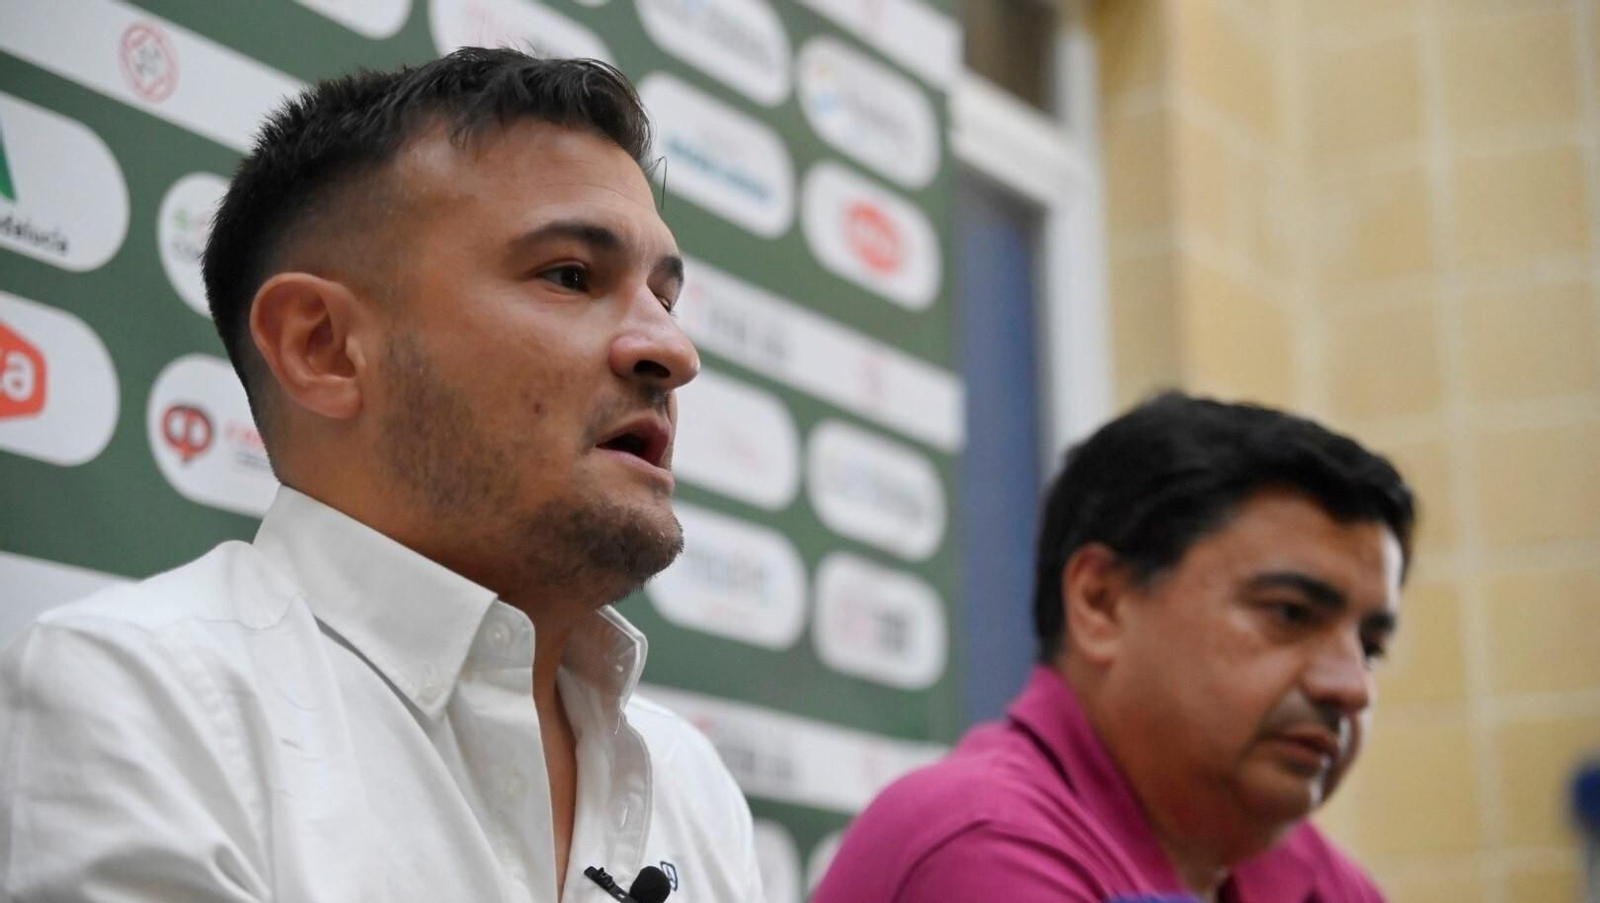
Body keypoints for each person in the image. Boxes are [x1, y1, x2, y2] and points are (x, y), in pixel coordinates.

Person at [0, 49, 763, 902]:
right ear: (320, 346)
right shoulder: (140, 701)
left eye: (664, 297)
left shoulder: (690, 781)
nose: (671, 350)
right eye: (571, 276)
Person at [813, 392, 1414, 903]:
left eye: (1370, 646)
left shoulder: (1312, 877)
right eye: (1289, 613)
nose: (1352, 687)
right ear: (1101, 602)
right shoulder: (982, 840)